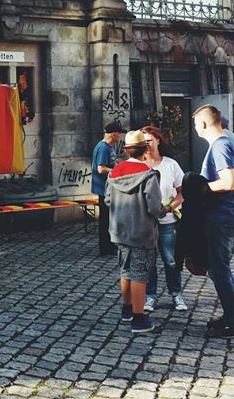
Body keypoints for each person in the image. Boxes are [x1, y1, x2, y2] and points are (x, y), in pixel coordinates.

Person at [193, 104, 234, 339]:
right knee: (219, 270)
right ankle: (230, 316)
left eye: (195, 124)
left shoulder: (220, 146)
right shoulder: (228, 142)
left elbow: (228, 182)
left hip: (220, 217)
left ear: (203, 124)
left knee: (220, 271)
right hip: (223, 216)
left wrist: (199, 189)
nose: (195, 129)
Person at [105, 130, 164, 334]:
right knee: (140, 273)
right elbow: (155, 207)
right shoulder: (148, 175)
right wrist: (166, 209)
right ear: (145, 149)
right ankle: (138, 319)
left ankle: (126, 310)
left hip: (119, 230)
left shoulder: (114, 172)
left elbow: (107, 200)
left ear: (127, 150)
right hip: (141, 231)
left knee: (126, 270)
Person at [140, 126, 187, 312]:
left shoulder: (170, 164)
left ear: (158, 140)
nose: (147, 145)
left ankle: (176, 293)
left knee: (171, 260)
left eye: (150, 140)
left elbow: (182, 193)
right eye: (143, 142)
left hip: (167, 221)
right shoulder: (139, 164)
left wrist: (170, 208)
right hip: (146, 223)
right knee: (149, 261)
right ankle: (150, 296)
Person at [91, 121, 126, 256]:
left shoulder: (109, 146)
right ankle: (105, 248)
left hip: (109, 188)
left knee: (111, 219)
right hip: (103, 189)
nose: (121, 137)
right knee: (105, 219)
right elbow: (101, 169)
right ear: (115, 134)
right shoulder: (103, 147)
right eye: (120, 134)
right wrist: (116, 171)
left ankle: (110, 244)